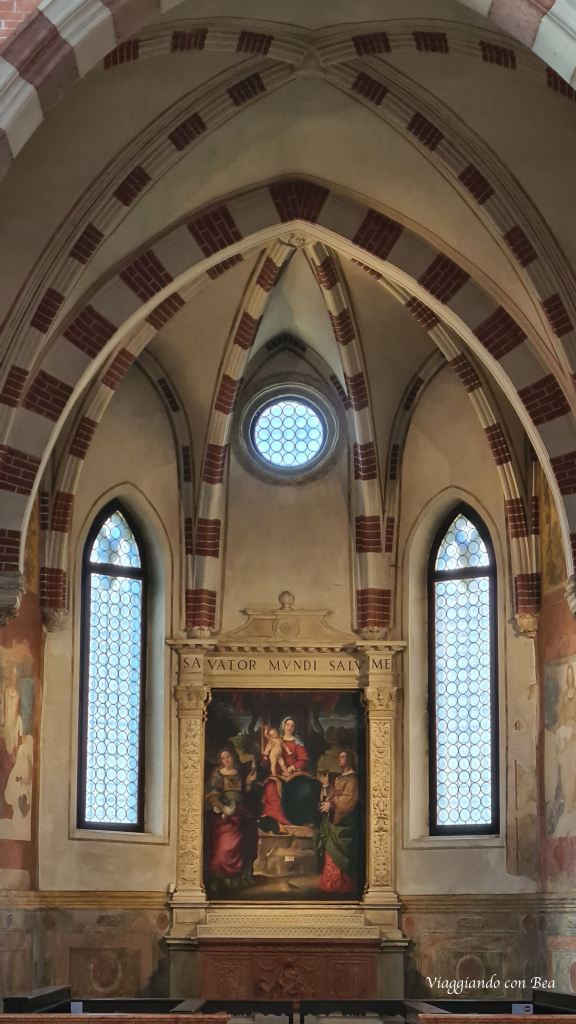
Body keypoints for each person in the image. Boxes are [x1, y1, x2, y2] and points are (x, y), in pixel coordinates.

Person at [204, 747, 258, 891]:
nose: (226, 760)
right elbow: (212, 795)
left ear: (233, 757)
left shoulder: (241, 773)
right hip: (224, 816)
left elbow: (247, 793)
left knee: (243, 845)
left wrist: (249, 783)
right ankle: (219, 878)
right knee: (224, 847)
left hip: (241, 814)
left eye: (228, 756)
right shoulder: (217, 774)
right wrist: (224, 808)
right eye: (223, 758)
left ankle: (239, 879)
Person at [317, 749, 359, 894]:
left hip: (345, 821)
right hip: (335, 820)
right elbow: (333, 795)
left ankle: (342, 885)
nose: (339, 759)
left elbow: (349, 800)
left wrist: (332, 804)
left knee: (340, 853)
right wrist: (325, 786)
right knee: (330, 850)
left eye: (342, 756)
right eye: (339, 757)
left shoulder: (353, 779)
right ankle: (330, 883)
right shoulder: (339, 779)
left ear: (349, 759)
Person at [259, 716, 314, 827]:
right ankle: (277, 819)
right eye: (287, 724)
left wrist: (293, 767)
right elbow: (265, 763)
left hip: (295, 774)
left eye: (292, 725)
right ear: (283, 726)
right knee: (271, 787)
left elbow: (304, 759)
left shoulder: (297, 742)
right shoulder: (276, 740)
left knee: (304, 788)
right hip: (278, 775)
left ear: (295, 728)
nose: (289, 727)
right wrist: (265, 755)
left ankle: (297, 819)